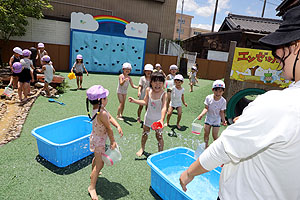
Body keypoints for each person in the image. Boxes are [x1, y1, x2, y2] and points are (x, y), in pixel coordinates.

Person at [180, 6, 300, 199]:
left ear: (296, 46)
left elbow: (224, 148)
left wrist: (188, 173)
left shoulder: (278, 104)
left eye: (279, 47)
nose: (275, 56)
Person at [86, 85, 123, 200]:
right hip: (99, 142)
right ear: (100, 100)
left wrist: (117, 125)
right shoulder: (101, 113)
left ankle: (93, 172)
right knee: (100, 164)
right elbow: (108, 128)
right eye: (105, 98)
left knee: (97, 159)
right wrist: (113, 141)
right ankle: (92, 187)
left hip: (97, 138)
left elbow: (110, 117)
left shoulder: (99, 110)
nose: (107, 99)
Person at [128, 72, 167, 157]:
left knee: (159, 136)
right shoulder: (148, 90)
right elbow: (145, 102)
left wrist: (162, 119)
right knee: (145, 133)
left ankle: (160, 153)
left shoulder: (163, 93)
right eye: (155, 82)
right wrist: (135, 101)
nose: (157, 85)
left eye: (160, 82)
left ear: (163, 83)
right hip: (148, 117)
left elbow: (164, 107)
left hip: (158, 119)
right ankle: (142, 148)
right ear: (151, 82)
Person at [197, 80, 227, 149]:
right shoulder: (209, 98)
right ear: (212, 90)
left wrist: (223, 120)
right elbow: (206, 108)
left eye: (220, 91)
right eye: (216, 91)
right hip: (209, 118)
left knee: (215, 135)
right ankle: (206, 146)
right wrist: (201, 114)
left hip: (217, 119)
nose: (218, 93)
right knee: (206, 133)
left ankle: (217, 148)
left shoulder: (223, 101)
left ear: (223, 91)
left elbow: (221, 112)